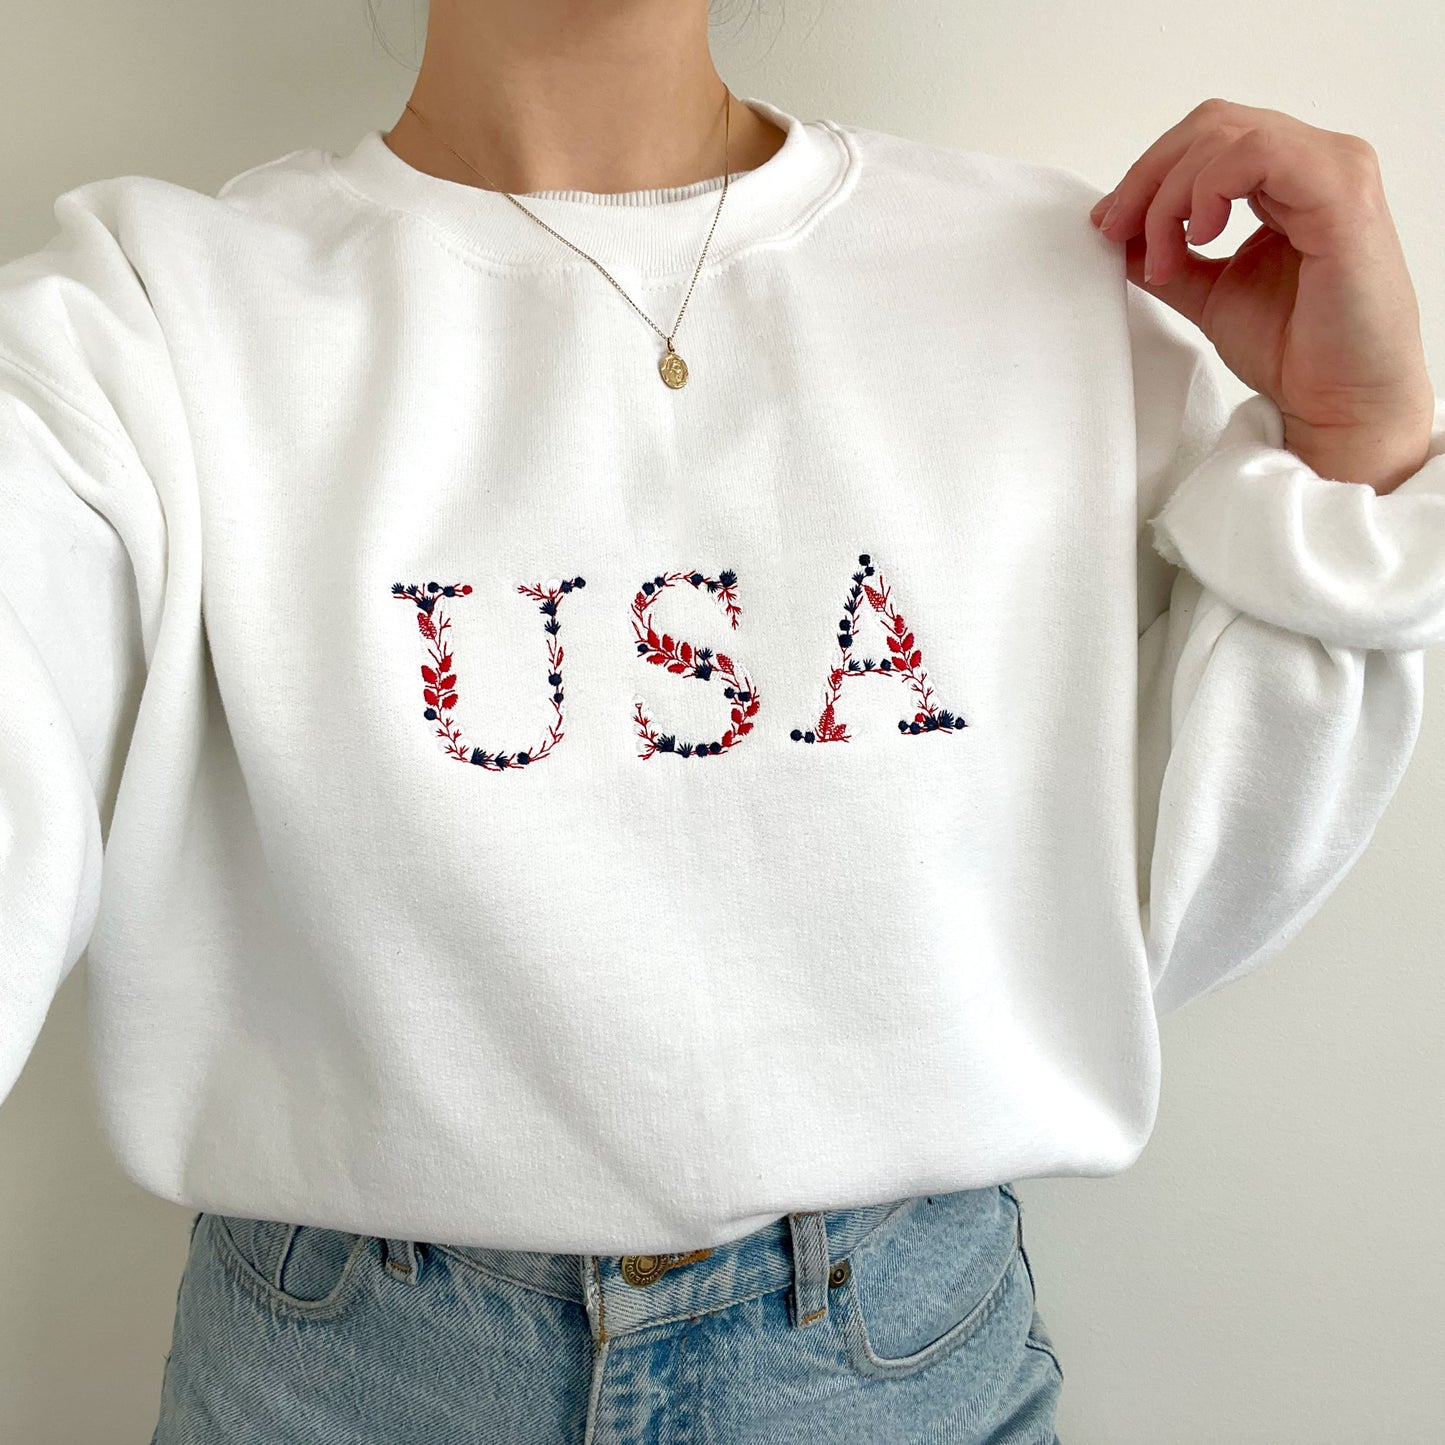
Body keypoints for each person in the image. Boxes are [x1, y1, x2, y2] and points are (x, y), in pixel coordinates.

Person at [2, 1, 1442, 1441]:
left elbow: (1200, 853)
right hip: (345, 1373)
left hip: (889, 1358)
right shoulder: (150, 317)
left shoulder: (1042, 278)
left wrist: (1353, 438)